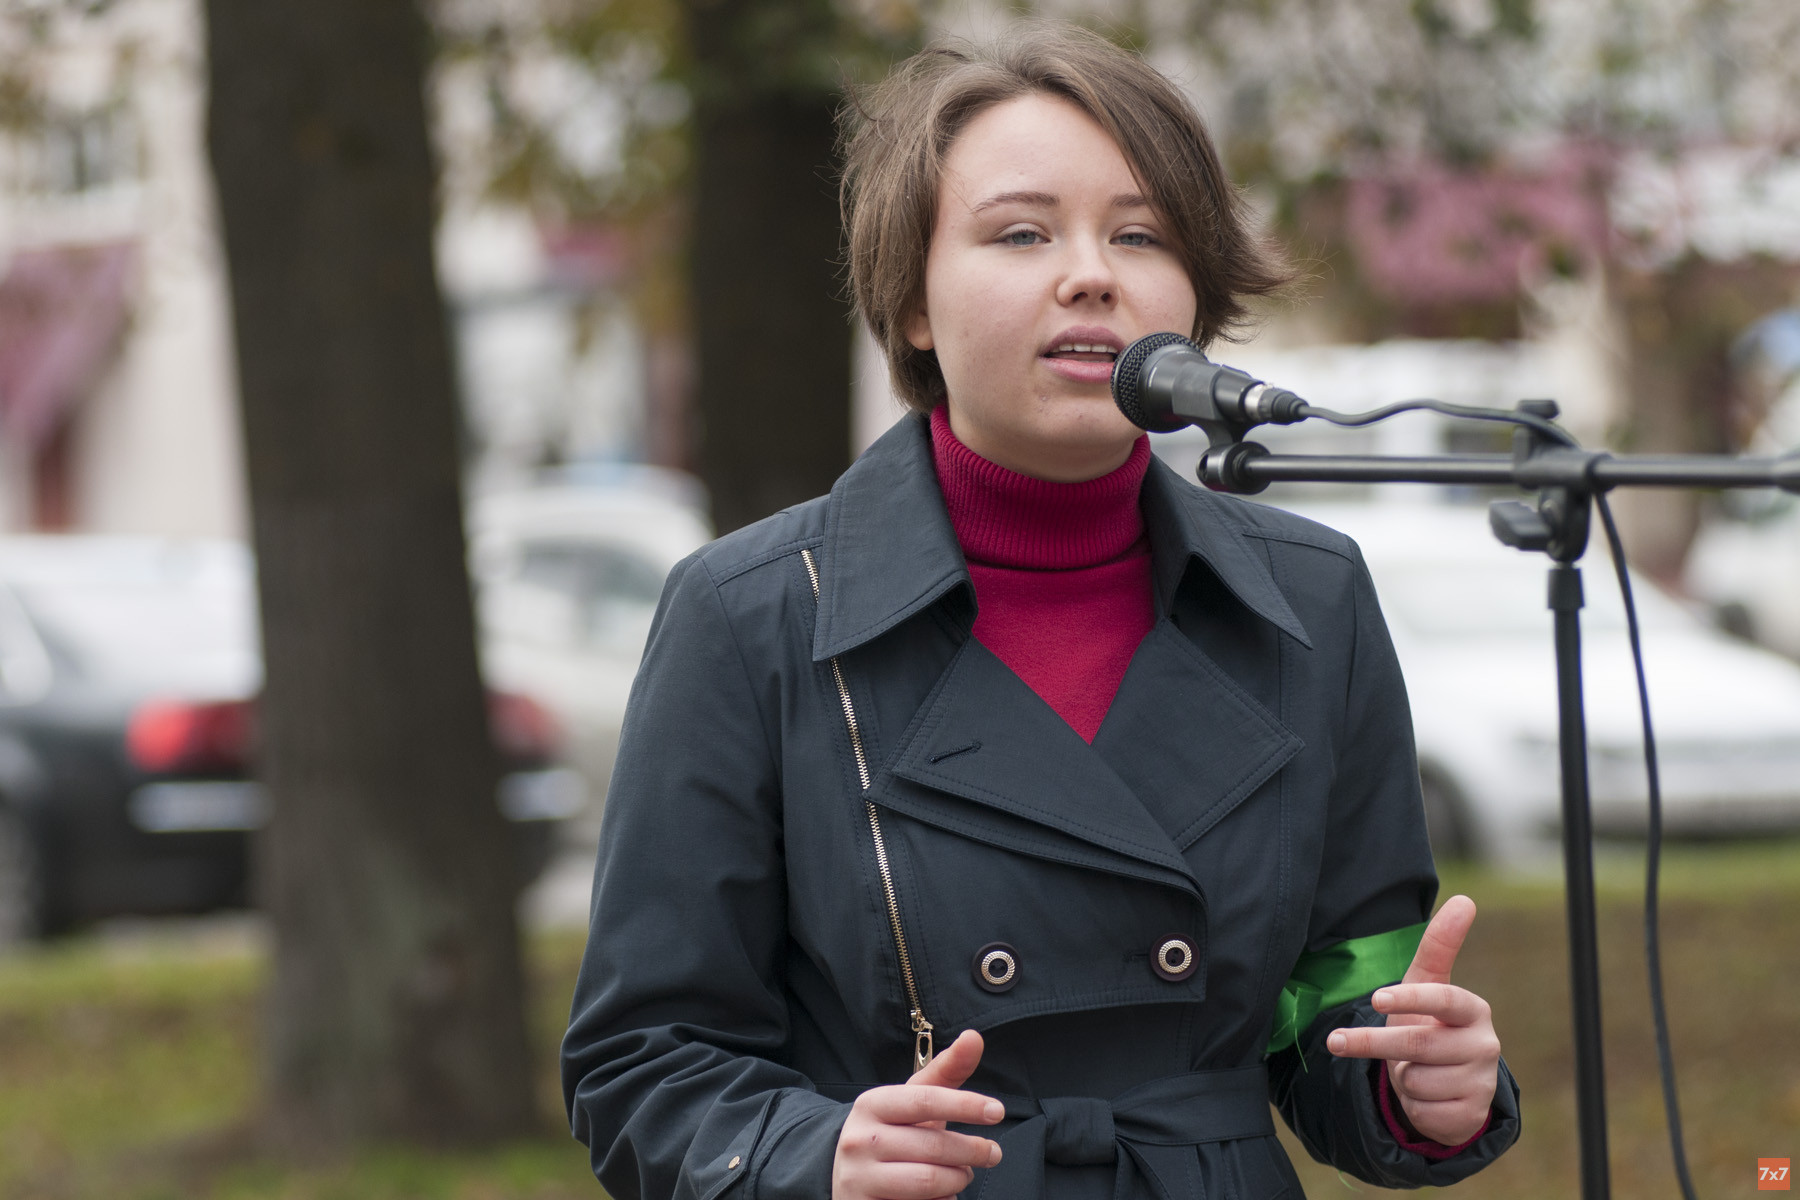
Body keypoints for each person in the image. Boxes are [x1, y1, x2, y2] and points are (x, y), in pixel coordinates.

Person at [562, 22, 1520, 1200]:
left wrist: (1416, 1086)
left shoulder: (1310, 596)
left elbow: (1340, 1009)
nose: (1091, 274)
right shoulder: (751, 613)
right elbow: (642, 1062)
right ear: (914, 300)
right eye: (1021, 233)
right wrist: (815, 1155)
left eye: (1141, 235)